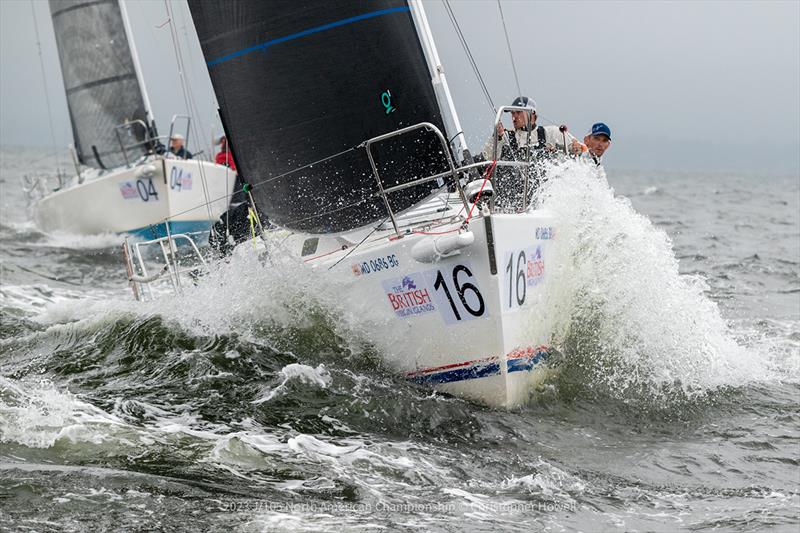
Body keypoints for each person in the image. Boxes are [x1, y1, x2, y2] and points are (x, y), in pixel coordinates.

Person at [483, 96, 576, 160]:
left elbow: (577, 148)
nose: (514, 117)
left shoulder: (551, 132)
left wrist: (576, 148)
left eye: (518, 112)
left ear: (532, 116)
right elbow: (488, 157)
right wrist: (497, 136)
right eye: (512, 113)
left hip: (545, 187)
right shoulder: (505, 136)